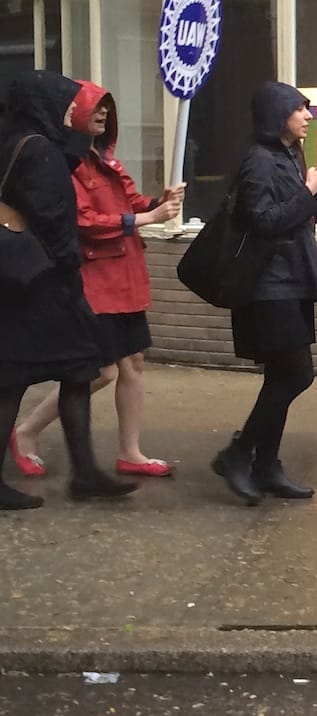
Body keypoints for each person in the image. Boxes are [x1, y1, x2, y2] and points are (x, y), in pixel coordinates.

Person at [10, 82, 185, 480]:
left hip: (124, 277)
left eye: (109, 106)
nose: (104, 113)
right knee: (100, 370)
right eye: (96, 107)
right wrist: (145, 219)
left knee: (133, 363)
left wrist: (160, 202)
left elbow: (132, 203)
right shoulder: (67, 162)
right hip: (94, 279)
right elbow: (82, 222)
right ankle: (26, 431)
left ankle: (130, 452)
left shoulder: (104, 159)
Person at [0, 71, 136, 508]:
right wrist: (68, 271)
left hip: (22, 278)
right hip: (41, 286)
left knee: (79, 370)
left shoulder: (16, 141)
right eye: (65, 105)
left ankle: (86, 473)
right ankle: (82, 474)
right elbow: (55, 218)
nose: (71, 113)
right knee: (14, 380)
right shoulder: (39, 151)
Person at [210, 81, 317, 505]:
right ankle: (238, 453)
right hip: (270, 286)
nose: (307, 117)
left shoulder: (287, 156)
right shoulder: (260, 161)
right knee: (296, 373)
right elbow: (264, 221)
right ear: (276, 114)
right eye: (299, 109)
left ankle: (266, 465)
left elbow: (297, 218)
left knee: (281, 376)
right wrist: (309, 191)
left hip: (291, 278)